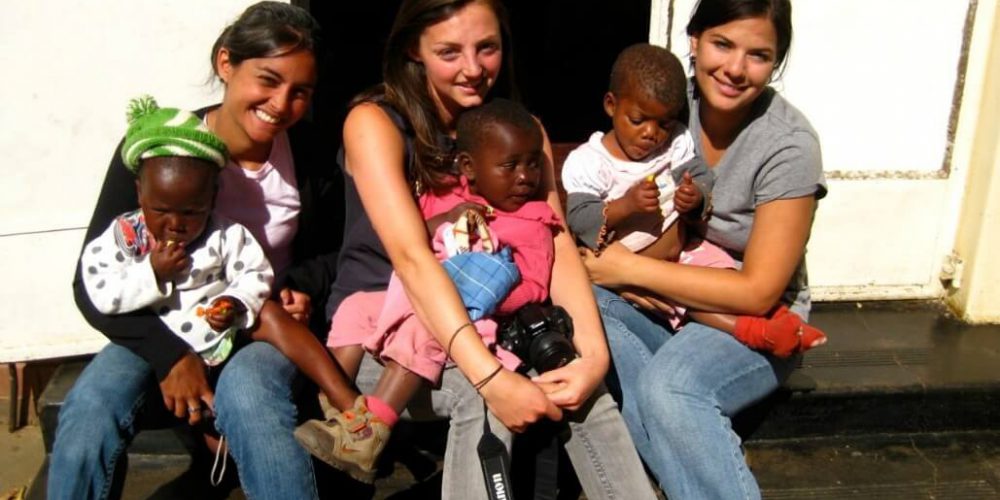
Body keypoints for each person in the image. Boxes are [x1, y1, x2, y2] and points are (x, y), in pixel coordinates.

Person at [327, 0, 655, 498]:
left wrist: (591, 357)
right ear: (413, 49)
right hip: (392, 335)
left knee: (585, 391)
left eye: (487, 47)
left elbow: (556, 239)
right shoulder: (375, 123)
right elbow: (413, 260)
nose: (474, 68)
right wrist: (491, 378)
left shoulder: (520, 130)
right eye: (449, 51)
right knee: (478, 399)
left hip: (497, 321)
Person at [49, 4, 353, 499]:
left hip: (256, 323)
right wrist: (170, 357)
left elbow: (340, 251)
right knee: (91, 407)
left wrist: (299, 284)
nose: (281, 104)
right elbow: (90, 283)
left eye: (300, 92)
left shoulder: (311, 156)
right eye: (268, 80)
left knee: (251, 397)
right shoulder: (157, 150)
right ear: (226, 63)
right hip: (157, 321)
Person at [581, 0, 828, 498]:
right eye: (722, 44)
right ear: (693, 40)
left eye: (758, 55)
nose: (736, 69)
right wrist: (615, 266)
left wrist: (628, 271)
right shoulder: (668, 103)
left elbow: (758, 290)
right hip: (665, 284)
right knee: (587, 317)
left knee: (669, 388)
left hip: (746, 316)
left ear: (776, 62)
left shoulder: (788, 144)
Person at [297, 98, 563, 483]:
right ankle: (339, 408)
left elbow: (536, 286)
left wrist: (487, 290)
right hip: (410, 297)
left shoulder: (532, 219)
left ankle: (371, 431)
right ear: (470, 168)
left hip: (472, 318)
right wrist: (448, 218)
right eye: (510, 166)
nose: (525, 177)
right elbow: (411, 237)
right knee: (356, 307)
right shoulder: (451, 199)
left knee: (424, 327)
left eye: (533, 164)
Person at [562, 42, 825, 357]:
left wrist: (695, 196)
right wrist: (626, 207)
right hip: (628, 268)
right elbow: (580, 216)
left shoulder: (673, 142)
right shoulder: (590, 162)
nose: (651, 133)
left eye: (663, 124)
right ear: (610, 105)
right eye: (638, 120)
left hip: (686, 253)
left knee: (720, 282)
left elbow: (699, 173)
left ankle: (781, 320)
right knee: (687, 304)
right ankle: (755, 332)